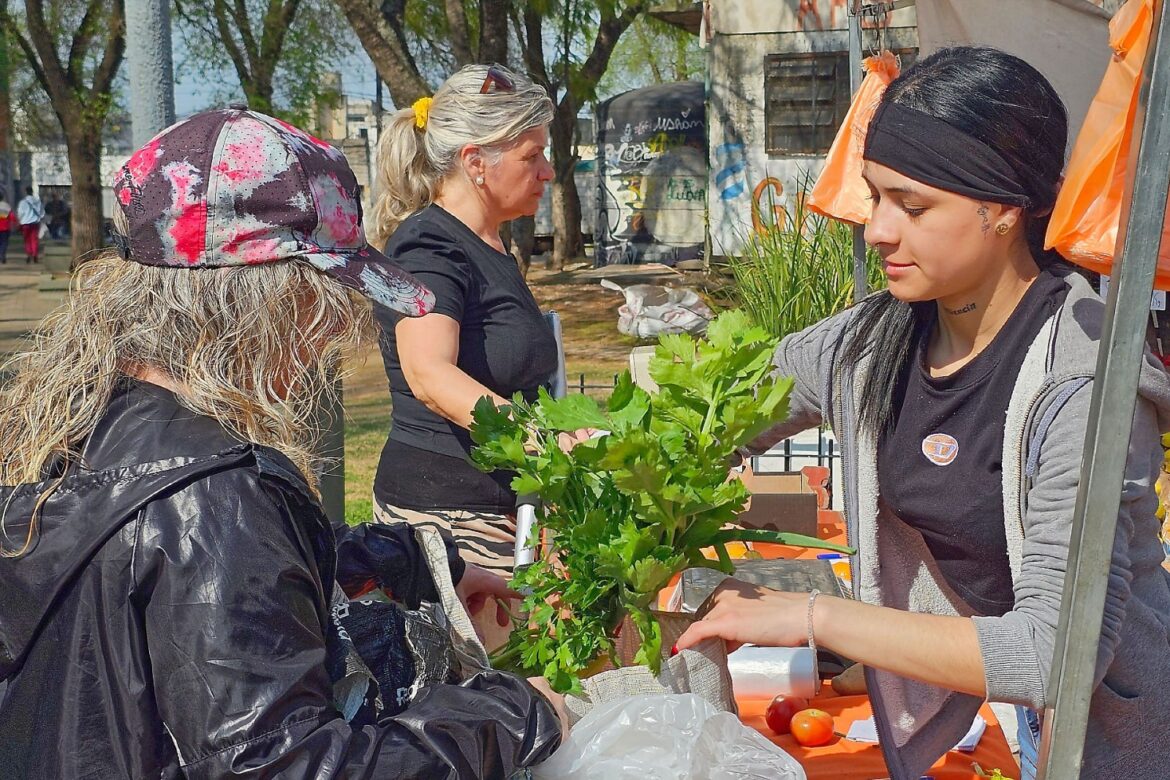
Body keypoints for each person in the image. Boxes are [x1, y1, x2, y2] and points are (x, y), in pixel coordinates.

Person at [0, 108, 565, 779]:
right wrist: (517, 714)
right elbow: (287, 765)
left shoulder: (84, 421)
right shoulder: (217, 497)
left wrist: (419, 560)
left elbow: (198, 594)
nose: (327, 339)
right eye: (322, 299)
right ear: (261, 300)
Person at [676, 47, 1170, 779]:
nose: (877, 230)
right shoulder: (868, 344)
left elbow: (1051, 653)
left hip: (1109, 737)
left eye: (911, 205)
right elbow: (716, 413)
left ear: (1001, 208)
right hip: (988, 715)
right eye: (875, 197)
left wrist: (810, 615)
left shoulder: (1082, 386)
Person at [369, 64, 587, 575]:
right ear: (475, 162)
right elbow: (430, 375)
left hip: (499, 508)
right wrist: (548, 441)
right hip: (450, 519)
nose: (548, 172)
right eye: (532, 156)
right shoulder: (429, 246)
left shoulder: (488, 244)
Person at [16, 186, 44, 264]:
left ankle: (29, 254)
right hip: (35, 223)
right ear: (32, 192)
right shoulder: (37, 201)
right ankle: (35, 254)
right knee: (34, 240)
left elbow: (20, 213)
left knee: (27, 240)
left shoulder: (23, 202)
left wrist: (19, 221)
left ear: (26, 192)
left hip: (25, 224)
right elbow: (42, 212)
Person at [0, 190, 14, 264]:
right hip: (5, 227)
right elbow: (11, 216)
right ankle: (2, 255)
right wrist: (14, 224)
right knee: (4, 242)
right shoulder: (6, 206)